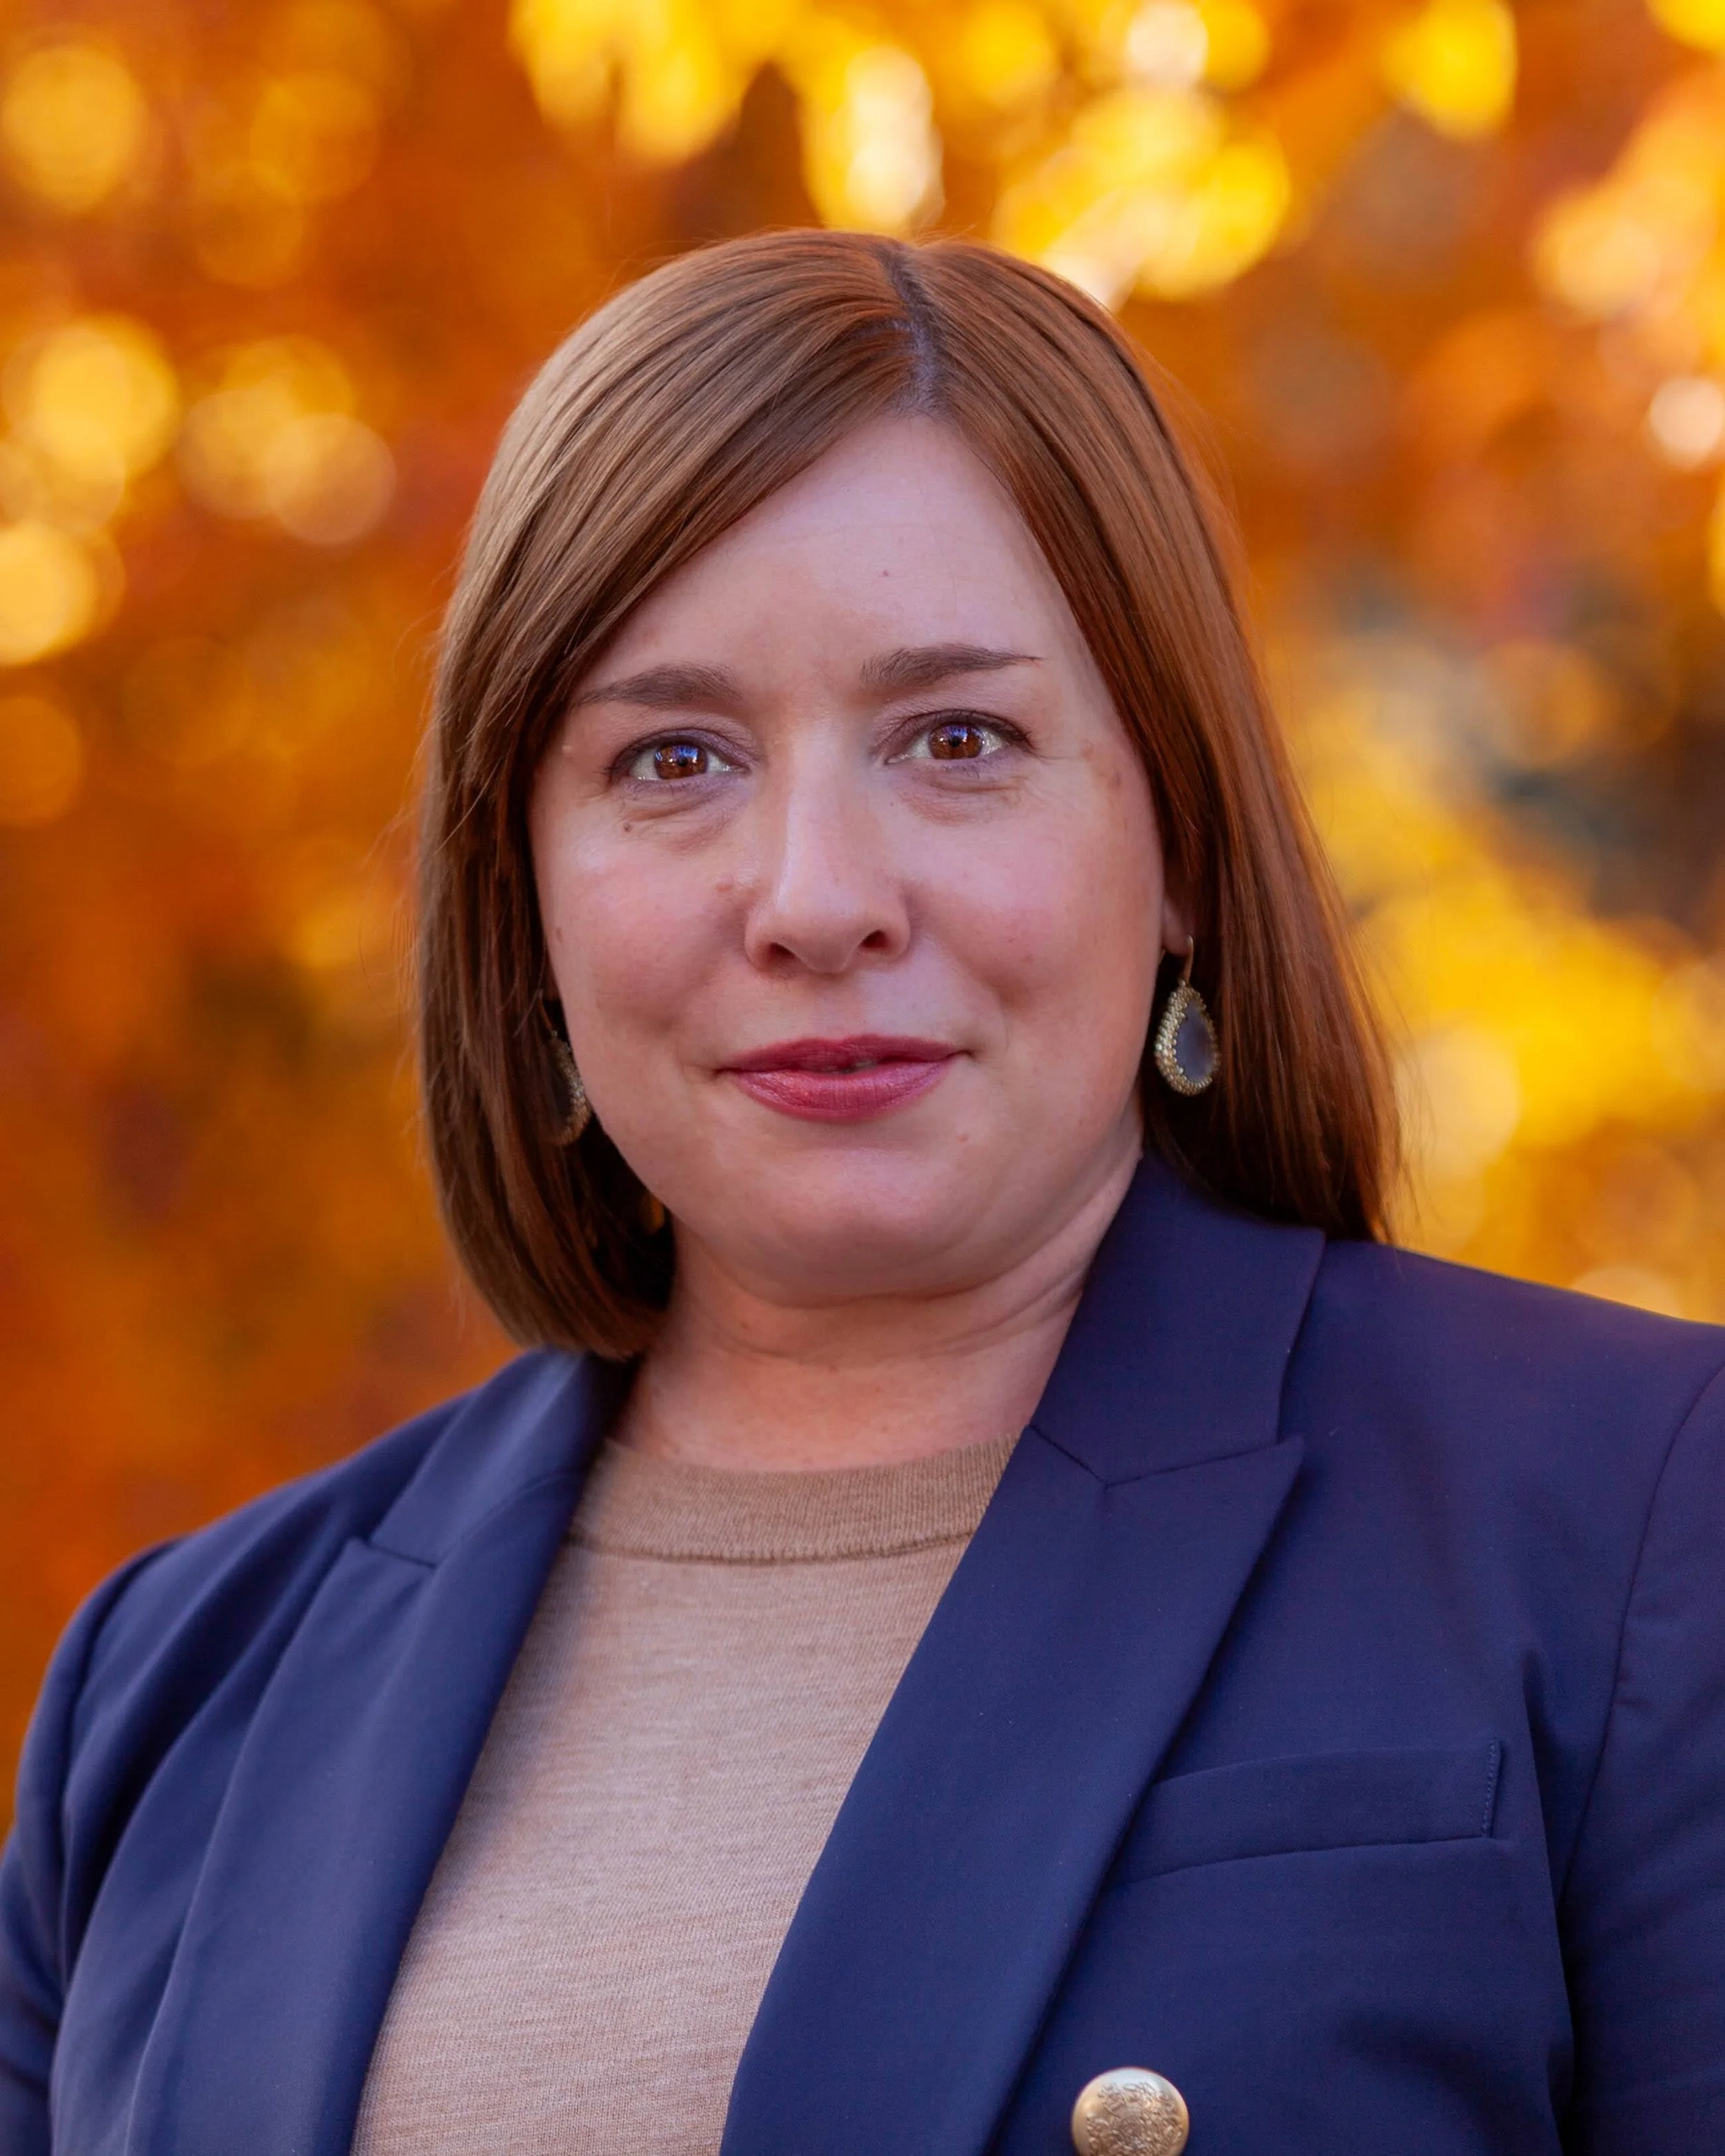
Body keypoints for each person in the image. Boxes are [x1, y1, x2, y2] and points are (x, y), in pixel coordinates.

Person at [3, 230, 1723, 2156]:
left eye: (956, 740)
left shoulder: (1637, 1517)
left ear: (1175, 841)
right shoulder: (178, 1687)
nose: (817, 894)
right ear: (524, 894)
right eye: (671, 758)